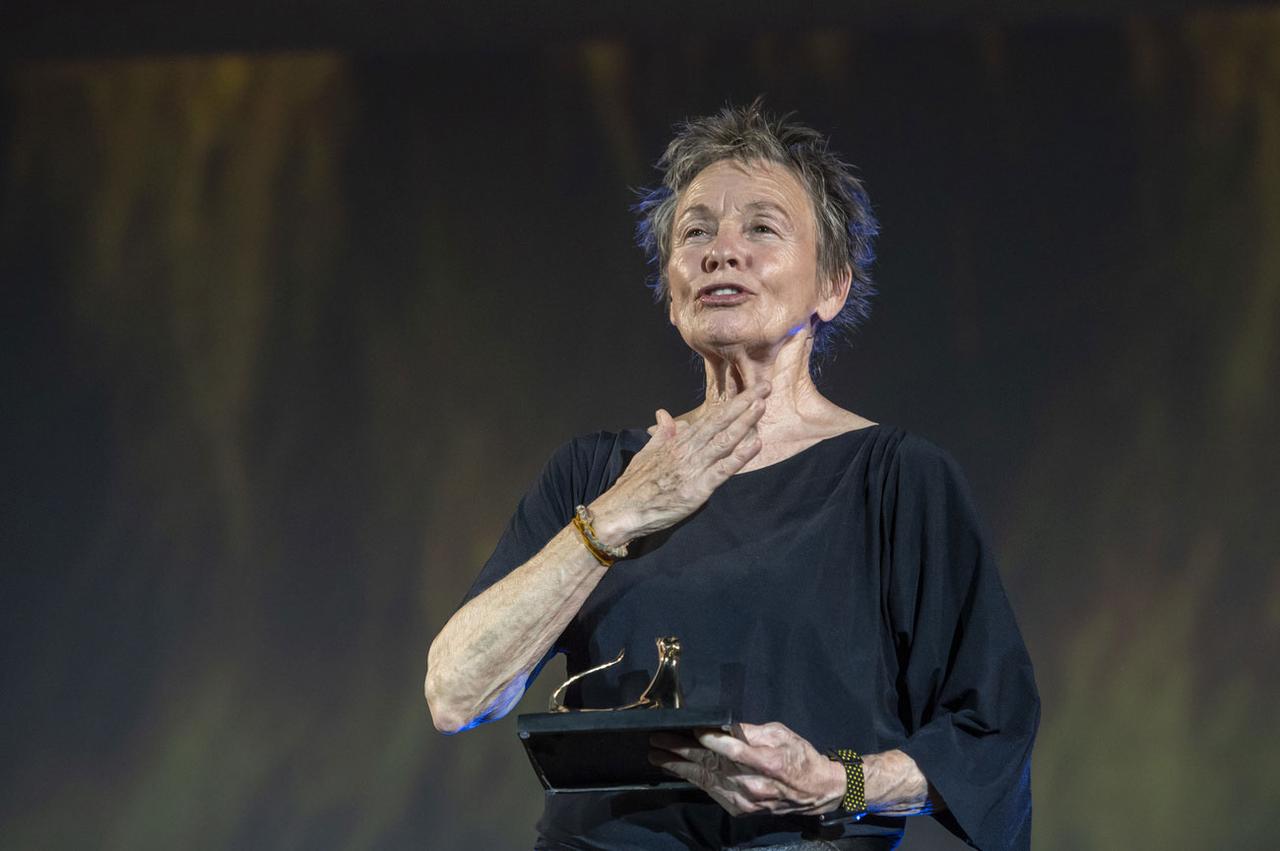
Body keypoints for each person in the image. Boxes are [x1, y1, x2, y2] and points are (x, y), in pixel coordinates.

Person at [425, 102, 1039, 851]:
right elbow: (456, 691)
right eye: (696, 232)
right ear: (672, 284)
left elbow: (990, 735)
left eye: (761, 228)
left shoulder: (897, 481)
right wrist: (617, 515)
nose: (722, 251)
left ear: (832, 287)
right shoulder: (594, 474)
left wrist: (836, 781)